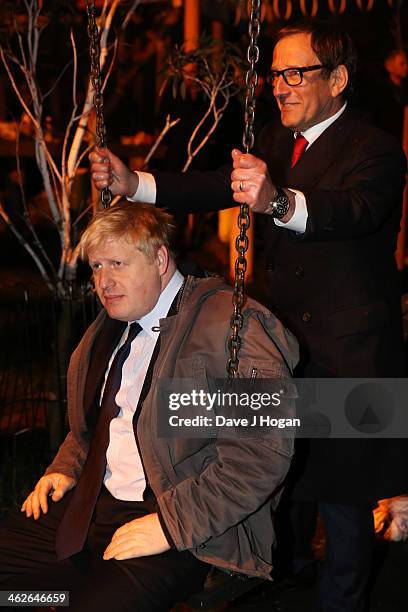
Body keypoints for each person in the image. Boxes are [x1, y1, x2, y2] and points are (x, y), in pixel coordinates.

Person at [89, 21, 408, 612]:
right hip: (281, 351)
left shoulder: (377, 148)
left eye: (295, 73)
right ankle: (281, 579)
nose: (280, 86)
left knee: (344, 510)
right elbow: (216, 184)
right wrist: (138, 183)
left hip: (350, 357)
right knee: (284, 483)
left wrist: (277, 201)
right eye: (275, 74)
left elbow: (352, 211)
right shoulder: (278, 142)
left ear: (337, 79)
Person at [0, 202, 298, 611]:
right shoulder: (109, 326)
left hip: (182, 521)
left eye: (118, 263)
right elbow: (98, 424)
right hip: (91, 507)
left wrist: (170, 526)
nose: (104, 281)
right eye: (97, 267)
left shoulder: (229, 326)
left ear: (159, 259)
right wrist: (65, 467)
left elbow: (259, 457)